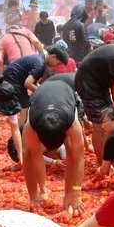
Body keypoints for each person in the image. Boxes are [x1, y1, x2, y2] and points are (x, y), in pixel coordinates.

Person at [22, 77, 85, 215]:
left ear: (65, 132)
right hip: (39, 98)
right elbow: (36, 156)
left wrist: (75, 192)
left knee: (72, 151)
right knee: (27, 153)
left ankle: (68, 195)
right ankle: (34, 197)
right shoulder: (31, 126)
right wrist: (42, 191)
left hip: (66, 93)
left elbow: (79, 158)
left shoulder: (72, 125)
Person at [74, 41, 114, 163]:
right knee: (101, 126)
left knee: (109, 121)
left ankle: (107, 158)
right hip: (89, 85)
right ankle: (101, 163)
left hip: (98, 86)